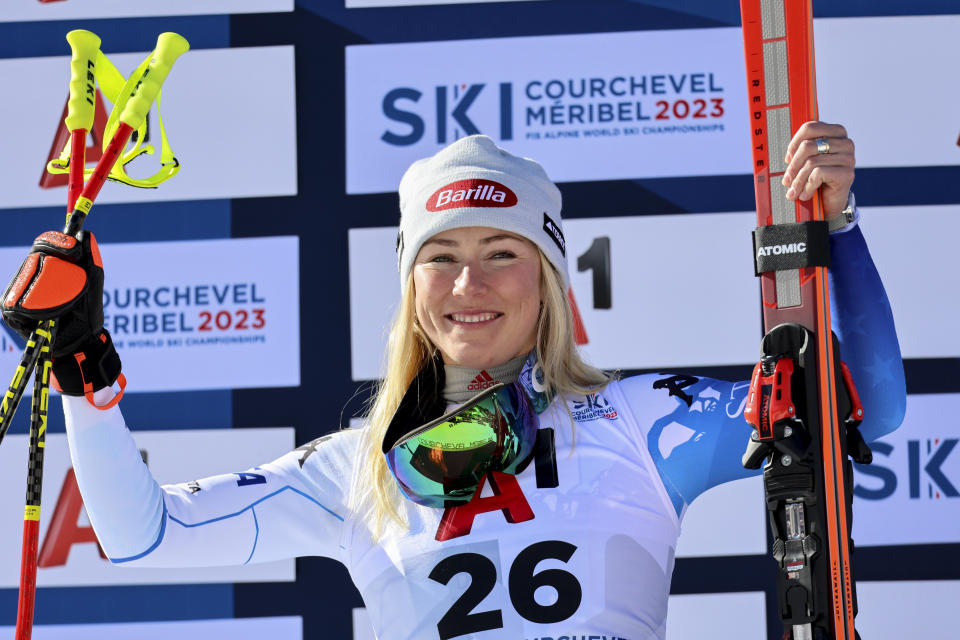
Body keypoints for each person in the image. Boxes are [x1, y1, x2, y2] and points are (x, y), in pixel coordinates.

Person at [1, 122, 905, 640]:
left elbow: (862, 407)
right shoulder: (357, 469)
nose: (470, 286)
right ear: (409, 283)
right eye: (441, 258)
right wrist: (87, 369)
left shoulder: (637, 420)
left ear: (548, 275)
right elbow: (139, 534)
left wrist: (841, 227)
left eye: (502, 253)